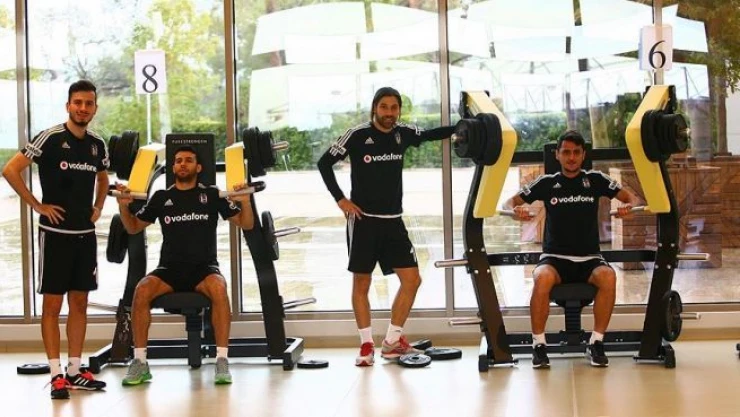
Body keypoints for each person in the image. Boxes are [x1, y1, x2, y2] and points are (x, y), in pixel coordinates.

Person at [317, 87, 455, 366]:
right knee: (362, 283)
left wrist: (464, 127)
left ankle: (392, 342)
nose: (389, 113)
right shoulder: (357, 135)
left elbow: (431, 134)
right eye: (384, 107)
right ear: (374, 108)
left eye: (394, 108)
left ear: (399, 110)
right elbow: (324, 163)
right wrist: (341, 199)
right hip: (363, 221)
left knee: (412, 280)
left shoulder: (403, 133)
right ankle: (366, 345)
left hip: (393, 222)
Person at [2, 80, 109, 399]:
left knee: (80, 303)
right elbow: (10, 170)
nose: (83, 108)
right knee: (52, 305)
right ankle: (56, 374)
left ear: (94, 108)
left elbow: (103, 179)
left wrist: (98, 207)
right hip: (55, 236)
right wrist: (37, 205)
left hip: (85, 236)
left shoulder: (97, 144)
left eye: (88, 103)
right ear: (68, 105)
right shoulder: (50, 137)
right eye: (78, 102)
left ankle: (75, 371)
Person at [114, 145, 254, 386]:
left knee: (219, 287)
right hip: (170, 269)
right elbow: (133, 227)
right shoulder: (161, 197)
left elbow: (246, 223)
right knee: (142, 289)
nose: (182, 164)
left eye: (188, 160)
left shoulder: (212, 195)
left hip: (204, 269)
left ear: (198, 167)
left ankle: (222, 360)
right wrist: (123, 206)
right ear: (173, 167)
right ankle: (140, 361)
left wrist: (246, 202)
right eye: (178, 160)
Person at [502, 130, 641, 369]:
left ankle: (596, 342)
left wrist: (628, 208)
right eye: (566, 152)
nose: (572, 157)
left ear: (583, 155)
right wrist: (516, 211)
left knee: (608, 276)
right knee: (541, 277)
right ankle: (539, 345)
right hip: (554, 259)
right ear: (557, 155)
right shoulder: (546, 183)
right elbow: (509, 203)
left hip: (589, 259)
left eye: (576, 152)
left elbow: (633, 199)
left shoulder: (596, 179)